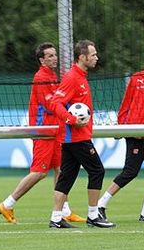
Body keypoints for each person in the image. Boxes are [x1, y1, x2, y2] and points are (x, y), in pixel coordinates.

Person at [0, 43, 85, 224]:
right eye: (50, 56)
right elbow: (51, 105)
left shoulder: (54, 76)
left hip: (55, 131)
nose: (54, 58)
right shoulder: (41, 77)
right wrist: (70, 113)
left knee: (61, 170)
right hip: (43, 131)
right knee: (39, 172)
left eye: (55, 55)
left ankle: (64, 211)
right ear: (42, 60)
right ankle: (7, 203)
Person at [97, 47, 144, 222]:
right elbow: (126, 104)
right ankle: (101, 204)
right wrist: (121, 128)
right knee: (130, 172)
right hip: (134, 134)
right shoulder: (137, 78)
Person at [47, 40, 115, 229]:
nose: (96, 57)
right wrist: (71, 119)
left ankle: (55, 218)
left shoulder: (81, 76)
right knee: (97, 171)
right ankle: (93, 215)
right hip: (76, 137)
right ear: (82, 57)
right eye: (93, 54)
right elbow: (55, 103)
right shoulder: (72, 77)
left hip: (74, 138)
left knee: (67, 177)